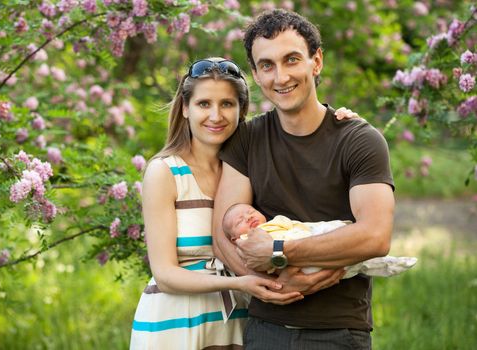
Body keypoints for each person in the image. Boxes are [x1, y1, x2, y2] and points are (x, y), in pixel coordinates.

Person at [129, 57, 360, 349]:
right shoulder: (165, 172)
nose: (216, 115)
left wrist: (339, 125)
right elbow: (165, 275)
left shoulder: (250, 166)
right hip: (177, 324)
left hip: (237, 323)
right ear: (185, 108)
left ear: (241, 110)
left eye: (227, 104)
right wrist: (237, 283)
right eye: (204, 104)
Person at [212, 9, 395, 350]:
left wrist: (281, 251)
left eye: (292, 59)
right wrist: (275, 284)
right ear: (255, 73)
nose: (280, 77)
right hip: (265, 329)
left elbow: (375, 236)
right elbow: (222, 234)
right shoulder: (246, 140)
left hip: (338, 332)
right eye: (267, 65)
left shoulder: (360, 140)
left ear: (317, 61)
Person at [222, 203, 416, 278]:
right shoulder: (245, 241)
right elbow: (257, 259)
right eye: (240, 220)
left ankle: (374, 260)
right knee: (345, 266)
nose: (248, 217)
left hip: (308, 238)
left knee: (334, 234)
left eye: (250, 212)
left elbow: (302, 227)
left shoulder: (275, 222)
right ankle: (378, 264)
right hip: (297, 267)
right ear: (234, 238)